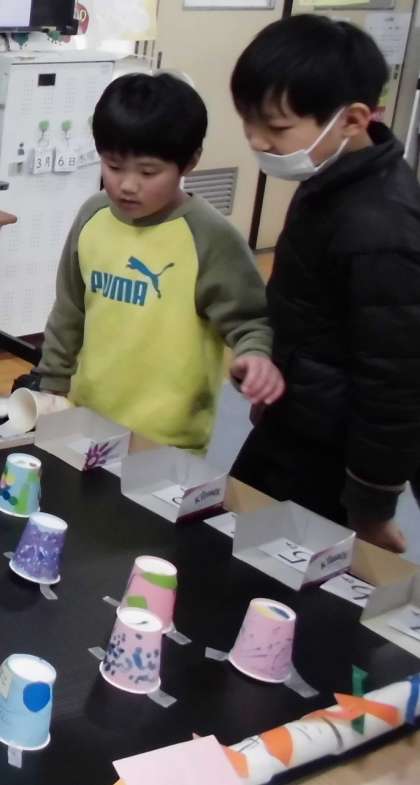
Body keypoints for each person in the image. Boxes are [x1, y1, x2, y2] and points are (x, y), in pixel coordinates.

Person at [230, 14, 420, 553]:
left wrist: (370, 507)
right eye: (248, 123)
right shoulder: (331, 179)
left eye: (276, 128)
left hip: (334, 456)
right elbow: (304, 306)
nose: (257, 141)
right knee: (230, 537)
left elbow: (395, 384)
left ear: (353, 119)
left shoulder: (383, 228)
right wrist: (266, 363)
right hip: (290, 421)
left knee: (286, 574)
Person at [33, 73, 284, 452]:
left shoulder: (209, 236)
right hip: (85, 418)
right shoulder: (92, 215)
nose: (127, 185)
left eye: (148, 172)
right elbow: (69, 310)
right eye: (113, 166)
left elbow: (251, 321)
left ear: (190, 162)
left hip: (168, 440)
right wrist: (51, 384)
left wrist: (254, 355)